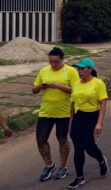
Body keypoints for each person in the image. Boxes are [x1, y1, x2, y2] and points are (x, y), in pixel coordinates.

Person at [32, 47, 79, 181]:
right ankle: (49, 165)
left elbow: (76, 90)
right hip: (46, 111)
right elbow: (34, 90)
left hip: (64, 112)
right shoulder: (44, 71)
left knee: (62, 139)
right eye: (51, 61)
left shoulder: (71, 72)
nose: (53, 64)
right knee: (41, 140)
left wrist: (58, 86)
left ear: (63, 60)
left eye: (56, 62)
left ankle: (63, 166)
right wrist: (41, 86)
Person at [67, 58, 108, 189]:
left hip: (93, 116)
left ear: (89, 69)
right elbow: (73, 105)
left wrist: (99, 123)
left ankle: (101, 159)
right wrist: (70, 124)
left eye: (82, 68)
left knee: (89, 146)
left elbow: (103, 103)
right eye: (78, 68)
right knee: (78, 148)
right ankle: (79, 177)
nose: (79, 71)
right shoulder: (76, 84)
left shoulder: (98, 83)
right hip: (79, 117)